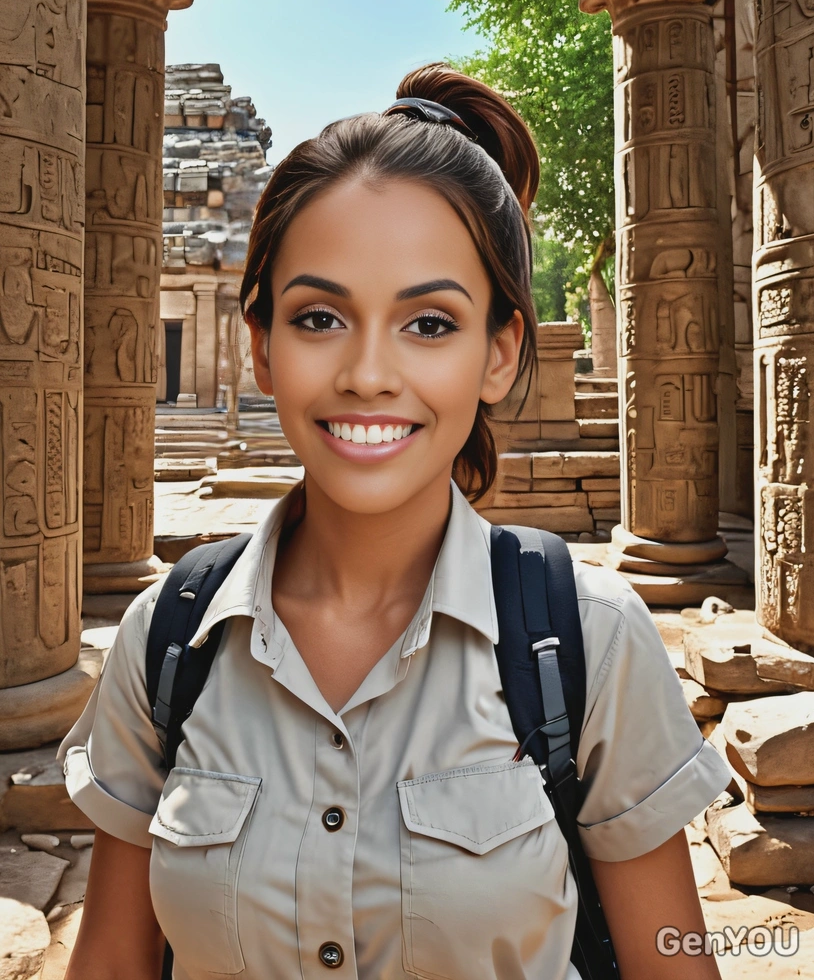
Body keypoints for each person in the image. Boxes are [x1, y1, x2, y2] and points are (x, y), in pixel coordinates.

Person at [59, 64, 730, 980]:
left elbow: (673, 963)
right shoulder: (169, 640)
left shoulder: (589, 641)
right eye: (321, 315)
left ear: (500, 353)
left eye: (428, 324)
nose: (369, 373)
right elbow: (112, 962)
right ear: (262, 347)